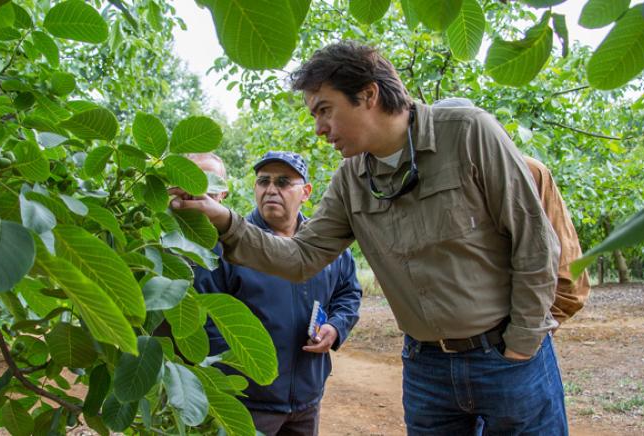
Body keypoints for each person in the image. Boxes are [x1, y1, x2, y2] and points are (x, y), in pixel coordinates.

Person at [170, 41, 566, 434]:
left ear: (368, 94)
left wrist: (520, 345)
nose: (319, 128)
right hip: (426, 367)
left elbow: (534, 240)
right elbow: (301, 258)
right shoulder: (351, 179)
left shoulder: (468, 133)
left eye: (325, 110)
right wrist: (224, 220)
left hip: (507, 360)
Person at [193, 151, 361, 436]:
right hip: (249, 403)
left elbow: (348, 294)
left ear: (305, 192)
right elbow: (205, 317)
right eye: (263, 181)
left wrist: (335, 326)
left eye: (283, 182)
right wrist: (245, 369)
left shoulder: (326, 246)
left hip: (307, 399)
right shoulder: (226, 244)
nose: (271, 189)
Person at [432, 98, 592, 328]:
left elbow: (567, 270)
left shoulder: (527, 171)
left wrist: (527, 332)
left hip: (514, 334)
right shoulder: (424, 182)